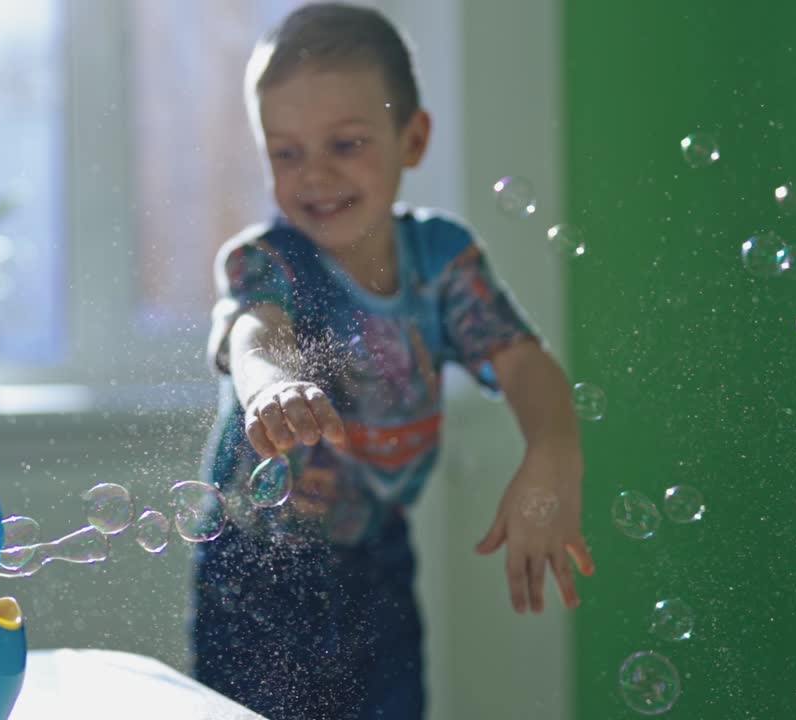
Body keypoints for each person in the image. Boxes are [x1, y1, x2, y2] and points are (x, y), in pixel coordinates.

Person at [189, 3, 596, 718]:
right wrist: (272, 386)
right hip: (258, 573)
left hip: (375, 561)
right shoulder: (268, 260)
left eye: (344, 144)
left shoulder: (440, 262)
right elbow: (256, 334)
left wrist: (555, 450)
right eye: (285, 152)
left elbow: (523, 361)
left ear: (413, 138)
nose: (313, 175)